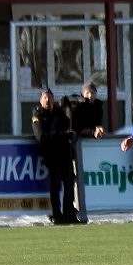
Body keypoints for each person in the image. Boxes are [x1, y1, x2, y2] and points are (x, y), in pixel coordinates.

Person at [32, 88, 78, 224]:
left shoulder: (59, 112)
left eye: (50, 97)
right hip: (52, 154)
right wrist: (60, 135)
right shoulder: (37, 114)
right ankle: (57, 214)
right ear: (40, 100)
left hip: (65, 153)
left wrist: (69, 109)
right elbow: (41, 136)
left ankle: (69, 213)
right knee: (56, 185)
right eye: (45, 98)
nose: (48, 100)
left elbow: (68, 127)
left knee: (69, 184)